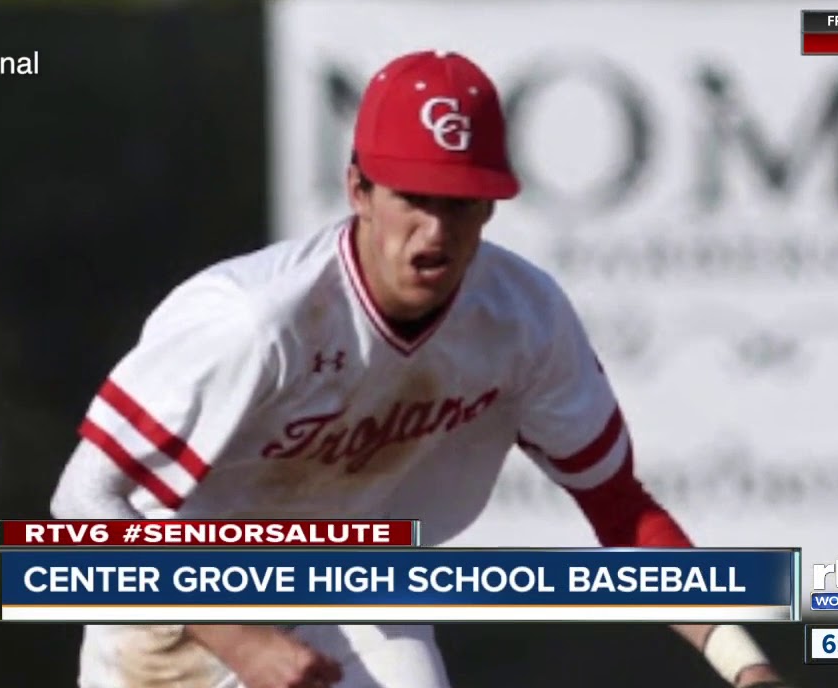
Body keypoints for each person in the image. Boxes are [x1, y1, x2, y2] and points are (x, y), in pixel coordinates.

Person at [49, 49, 794, 688]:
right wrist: (240, 638)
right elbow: (82, 501)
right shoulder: (253, 321)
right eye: (412, 197)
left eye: (462, 203)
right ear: (358, 190)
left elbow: (621, 511)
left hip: (355, 584)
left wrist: (745, 665)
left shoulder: (523, 319)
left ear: (492, 209)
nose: (434, 231)